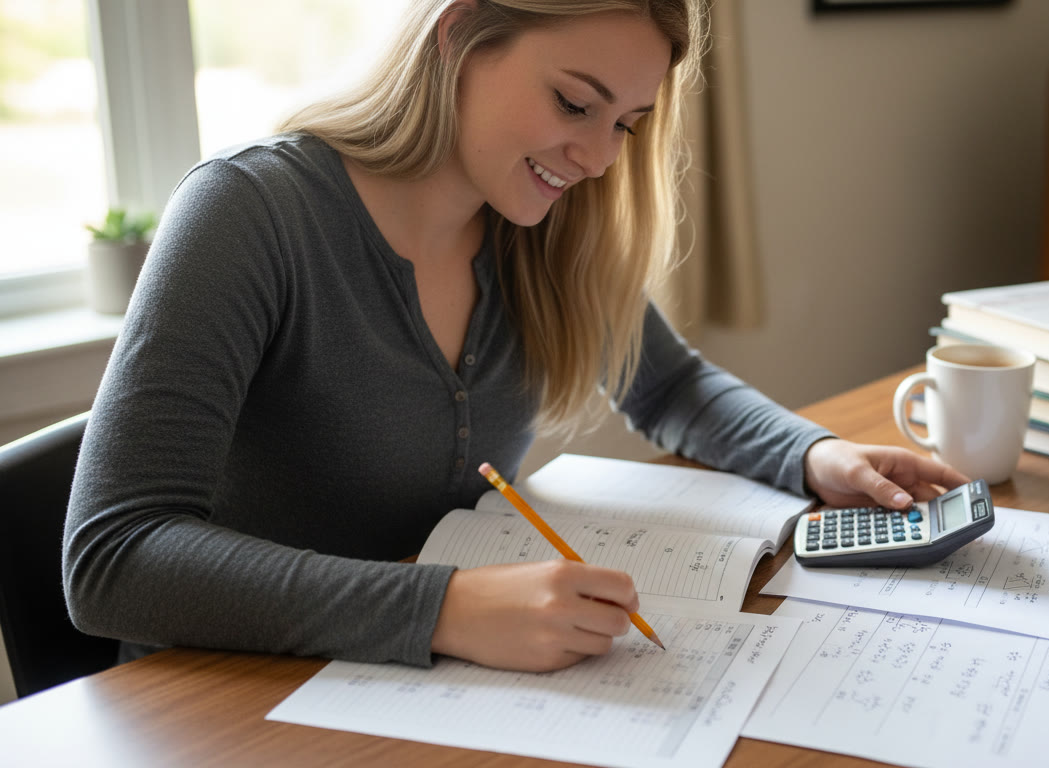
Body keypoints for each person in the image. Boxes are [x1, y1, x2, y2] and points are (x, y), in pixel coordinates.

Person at [64, 0, 968, 674]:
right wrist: (444, 607)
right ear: (458, 35)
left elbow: (666, 387)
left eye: (626, 124)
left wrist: (815, 458)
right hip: (227, 700)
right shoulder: (248, 214)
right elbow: (114, 556)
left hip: (424, 685)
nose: (602, 158)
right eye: (576, 104)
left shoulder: (537, 221)